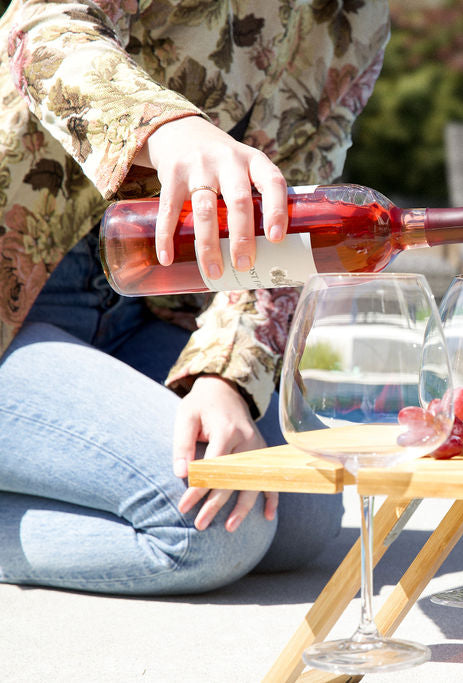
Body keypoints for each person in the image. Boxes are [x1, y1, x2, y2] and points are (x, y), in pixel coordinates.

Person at [0, 0, 390, 594]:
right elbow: (40, 27)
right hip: (18, 295)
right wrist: (163, 125)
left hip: (140, 305)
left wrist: (224, 377)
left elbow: (288, 222)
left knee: (301, 514)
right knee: (208, 534)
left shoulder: (358, 18)